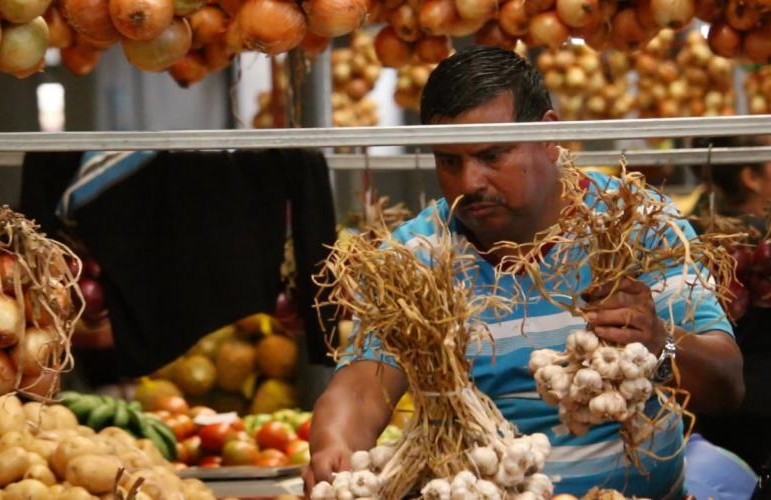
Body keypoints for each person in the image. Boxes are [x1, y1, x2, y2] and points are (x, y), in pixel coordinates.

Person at [304, 47, 744, 498]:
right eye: (448, 161)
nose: (470, 182)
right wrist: (335, 447)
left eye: (492, 155)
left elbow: (727, 385)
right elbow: (360, 388)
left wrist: (659, 341)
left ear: (549, 135)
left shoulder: (636, 223)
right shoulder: (414, 256)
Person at [690, 135, 771, 475]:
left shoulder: (688, 234)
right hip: (761, 413)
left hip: (710, 413)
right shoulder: (760, 242)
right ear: (751, 178)